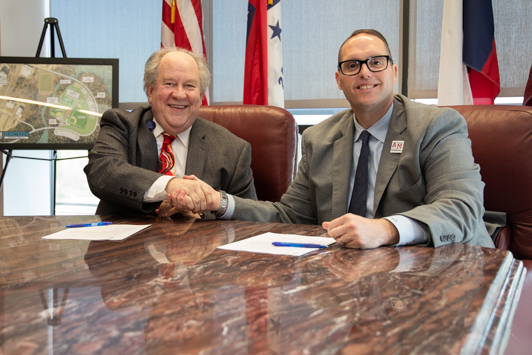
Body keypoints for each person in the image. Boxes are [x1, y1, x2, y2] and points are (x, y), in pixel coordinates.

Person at [170, 29, 495, 249]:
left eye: (376, 62)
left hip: (445, 273)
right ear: (339, 80)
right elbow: (289, 217)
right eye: (352, 66)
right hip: (356, 277)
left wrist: (386, 229)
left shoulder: (435, 126)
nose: (365, 72)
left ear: (393, 72)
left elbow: (462, 209)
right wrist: (220, 202)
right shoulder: (320, 138)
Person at [84, 47, 257, 217]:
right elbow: (103, 172)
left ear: (201, 96)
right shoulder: (122, 125)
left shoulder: (232, 149)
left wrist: (202, 208)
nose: (179, 94)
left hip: (200, 243)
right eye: (169, 84)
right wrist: (172, 186)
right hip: (125, 242)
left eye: (189, 86)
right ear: (150, 91)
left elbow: (249, 216)